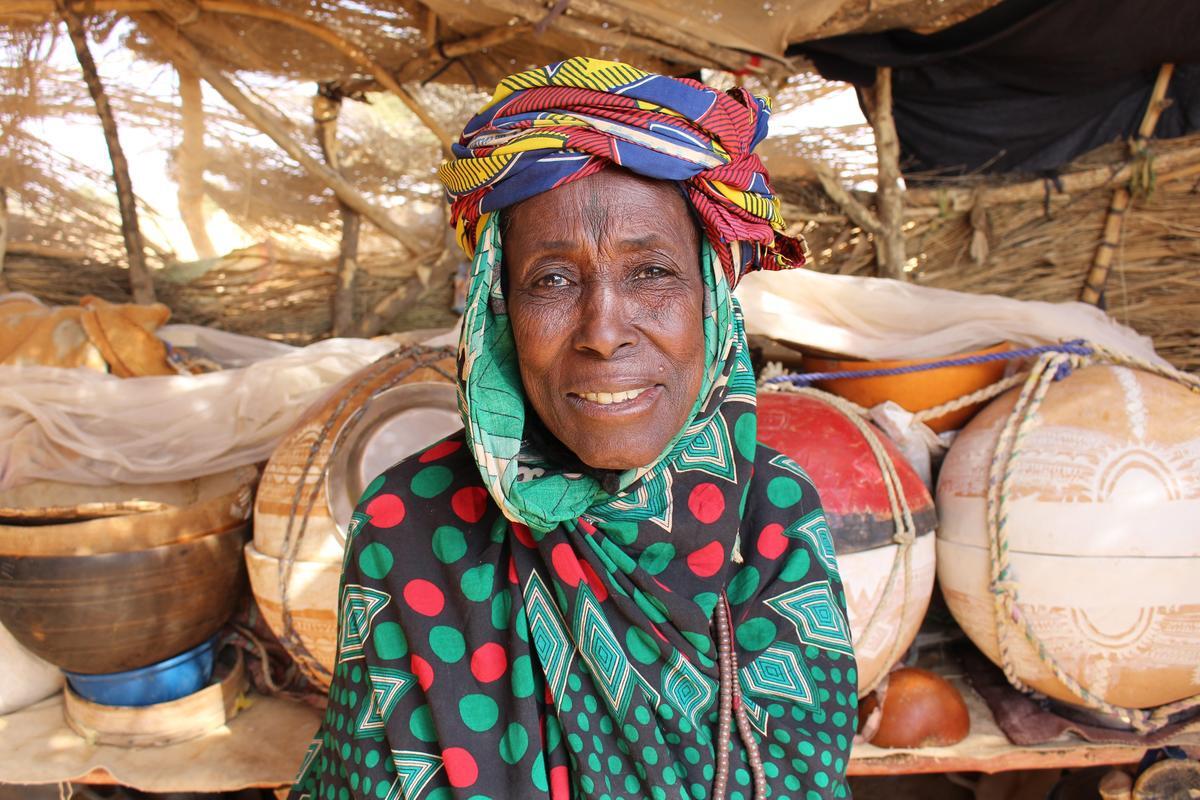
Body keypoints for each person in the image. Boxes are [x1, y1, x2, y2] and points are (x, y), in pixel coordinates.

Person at [291, 57, 856, 800]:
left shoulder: (774, 514)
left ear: (712, 301)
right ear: (499, 311)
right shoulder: (412, 527)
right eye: (552, 280)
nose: (602, 332)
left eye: (651, 273)